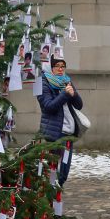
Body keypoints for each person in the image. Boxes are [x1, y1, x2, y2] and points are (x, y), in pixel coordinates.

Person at [37, 56, 84, 186]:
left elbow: (79, 105)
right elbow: (48, 107)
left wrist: (73, 94)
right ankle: (51, 199)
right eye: (57, 66)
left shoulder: (66, 80)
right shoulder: (43, 82)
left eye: (63, 66)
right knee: (54, 171)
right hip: (55, 133)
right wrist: (64, 94)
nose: (60, 69)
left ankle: (55, 197)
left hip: (69, 133)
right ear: (51, 67)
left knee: (63, 171)